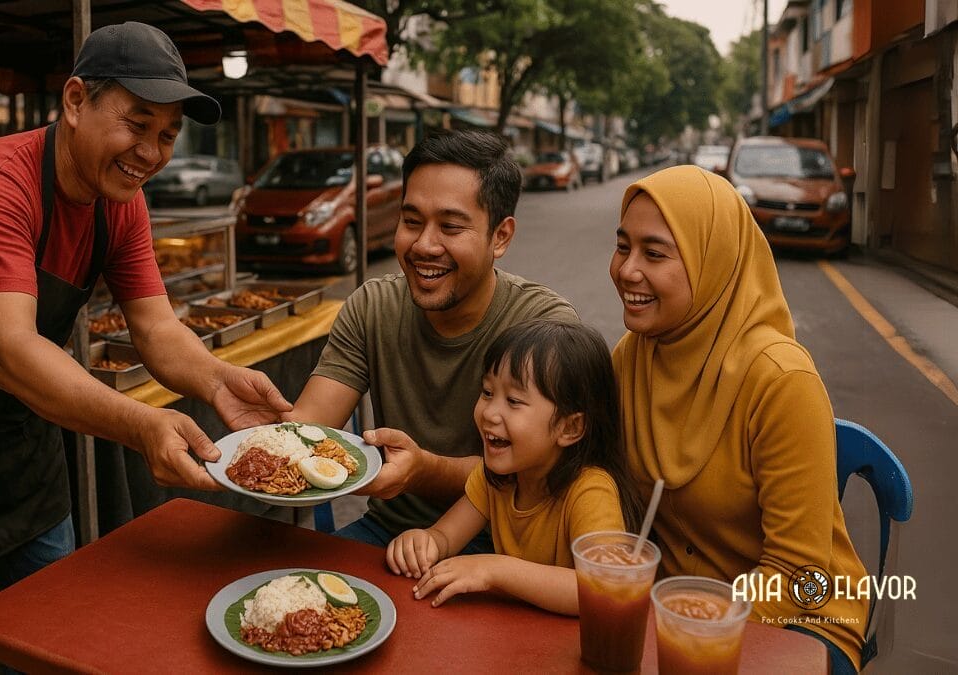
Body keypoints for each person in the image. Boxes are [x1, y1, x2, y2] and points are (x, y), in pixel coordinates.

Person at [0, 22, 291, 672]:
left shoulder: (121, 202)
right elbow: (14, 353)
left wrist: (219, 381)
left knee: (55, 631)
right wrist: (142, 424)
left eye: (167, 135)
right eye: (137, 124)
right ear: (76, 101)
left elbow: (158, 329)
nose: (151, 151)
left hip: (22, 441)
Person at [610, 165, 868, 673]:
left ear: (715, 262)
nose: (626, 270)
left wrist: (695, 618)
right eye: (623, 246)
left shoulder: (780, 382)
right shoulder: (631, 357)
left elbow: (795, 574)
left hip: (802, 620)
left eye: (654, 253)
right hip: (674, 609)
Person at [289, 130, 579, 551]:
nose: (424, 245)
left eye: (450, 226)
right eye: (411, 222)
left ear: (500, 236)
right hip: (385, 533)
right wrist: (266, 433)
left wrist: (425, 470)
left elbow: (539, 474)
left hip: (505, 546)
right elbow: (307, 429)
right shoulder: (374, 306)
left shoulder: (544, 325)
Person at [385, 319, 644, 613]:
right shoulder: (498, 477)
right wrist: (421, 542)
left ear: (570, 428)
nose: (490, 413)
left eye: (513, 400)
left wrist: (494, 569)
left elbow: (603, 588)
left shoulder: (591, 489)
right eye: (487, 392)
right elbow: (444, 537)